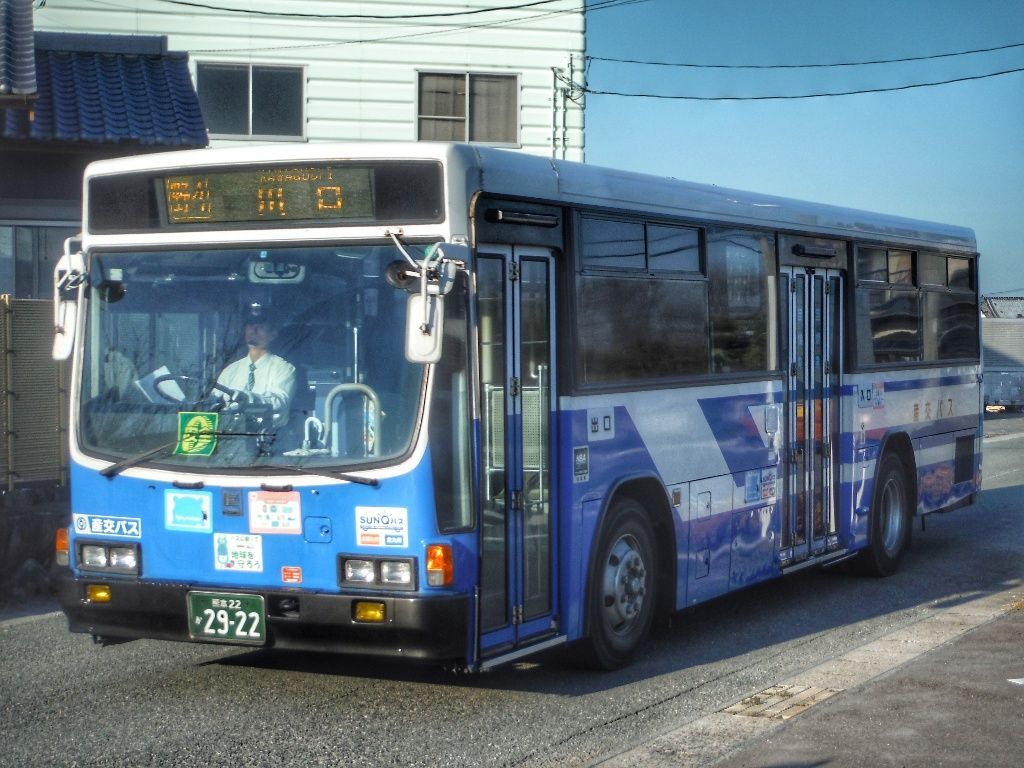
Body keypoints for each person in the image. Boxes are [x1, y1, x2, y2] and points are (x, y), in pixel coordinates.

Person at [217, 305, 296, 426]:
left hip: (268, 440)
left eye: (261, 326)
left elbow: (279, 402)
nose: (254, 329)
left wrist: (247, 399)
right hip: (229, 437)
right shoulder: (230, 371)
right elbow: (213, 402)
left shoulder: (284, 369)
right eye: (250, 325)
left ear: (273, 334)